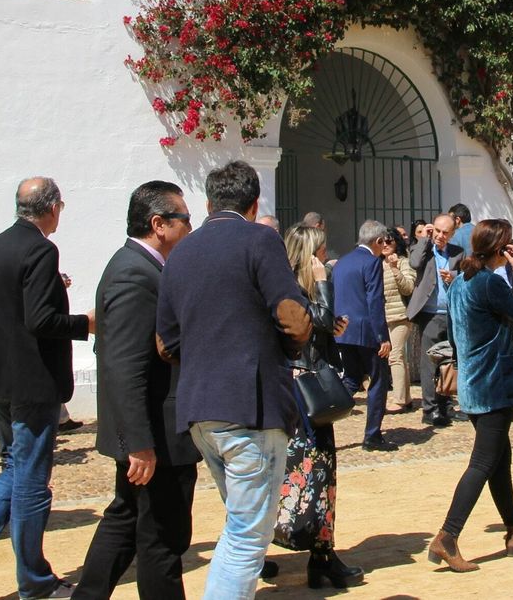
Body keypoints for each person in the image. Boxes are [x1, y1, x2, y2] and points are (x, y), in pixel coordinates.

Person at [155, 161, 312, 600]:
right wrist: (287, 351)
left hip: (200, 409)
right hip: (250, 405)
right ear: (254, 203)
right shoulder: (260, 237)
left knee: (241, 525)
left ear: (207, 203)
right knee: (247, 536)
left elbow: (165, 343)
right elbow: (293, 318)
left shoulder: (180, 251)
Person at [0, 177, 94, 600]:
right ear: (51, 208)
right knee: (30, 480)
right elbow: (40, 320)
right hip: (30, 380)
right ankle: (33, 581)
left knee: (15, 468)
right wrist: (86, 322)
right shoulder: (41, 249)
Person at [73, 182, 197, 599]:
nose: (191, 227)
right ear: (158, 224)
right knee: (162, 539)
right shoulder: (134, 273)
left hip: (152, 433)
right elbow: (123, 367)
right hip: (155, 437)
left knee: (124, 520)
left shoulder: (142, 268)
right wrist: (140, 443)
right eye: (185, 218)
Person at [427, 219, 513, 572]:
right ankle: (447, 536)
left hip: (473, 382)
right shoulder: (490, 282)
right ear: (500, 249)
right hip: (492, 384)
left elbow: (455, 328)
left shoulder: (461, 281)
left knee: (499, 462)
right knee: (482, 464)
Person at [275, 225, 364, 589]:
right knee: (306, 472)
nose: (326, 257)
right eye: (322, 252)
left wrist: (331, 328)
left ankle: (323, 558)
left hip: (309, 391)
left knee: (324, 475)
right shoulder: (291, 290)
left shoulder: (301, 290)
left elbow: (323, 327)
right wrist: (323, 282)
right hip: (301, 396)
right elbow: (319, 319)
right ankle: (307, 552)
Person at [333, 220, 396, 451]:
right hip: (367, 332)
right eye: (384, 242)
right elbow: (374, 300)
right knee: (378, 382)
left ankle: (318, 418)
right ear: (378, 241)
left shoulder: (341, 262)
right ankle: (372, 435)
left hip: (343, 330)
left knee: (350, 379)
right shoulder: (372, 262)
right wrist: (383, 336)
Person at [406, 213, 463, 428]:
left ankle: (446, 405)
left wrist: (454, 276)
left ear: (452, 233)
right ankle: (429, 409)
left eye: (445, 232)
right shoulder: (424, 249)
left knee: (449, 361)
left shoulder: (458, 252)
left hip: (450, 312)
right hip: (429, 313)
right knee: (429, 363)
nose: (440, 236)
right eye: (437, 231)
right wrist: (425, 239)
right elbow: (414, 262)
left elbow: (466, 275)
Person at [378, 226, 416, 414]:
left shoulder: (403, 262)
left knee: (395, 356)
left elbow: (408, 288)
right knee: (397, 357)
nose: (385, 244)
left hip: (401, 316)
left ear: (396, 243)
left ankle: (399, 400)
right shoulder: (376, 264)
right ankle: (407, 398)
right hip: (383, 317)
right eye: (381, 241)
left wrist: (395, 270)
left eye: (389, 241)